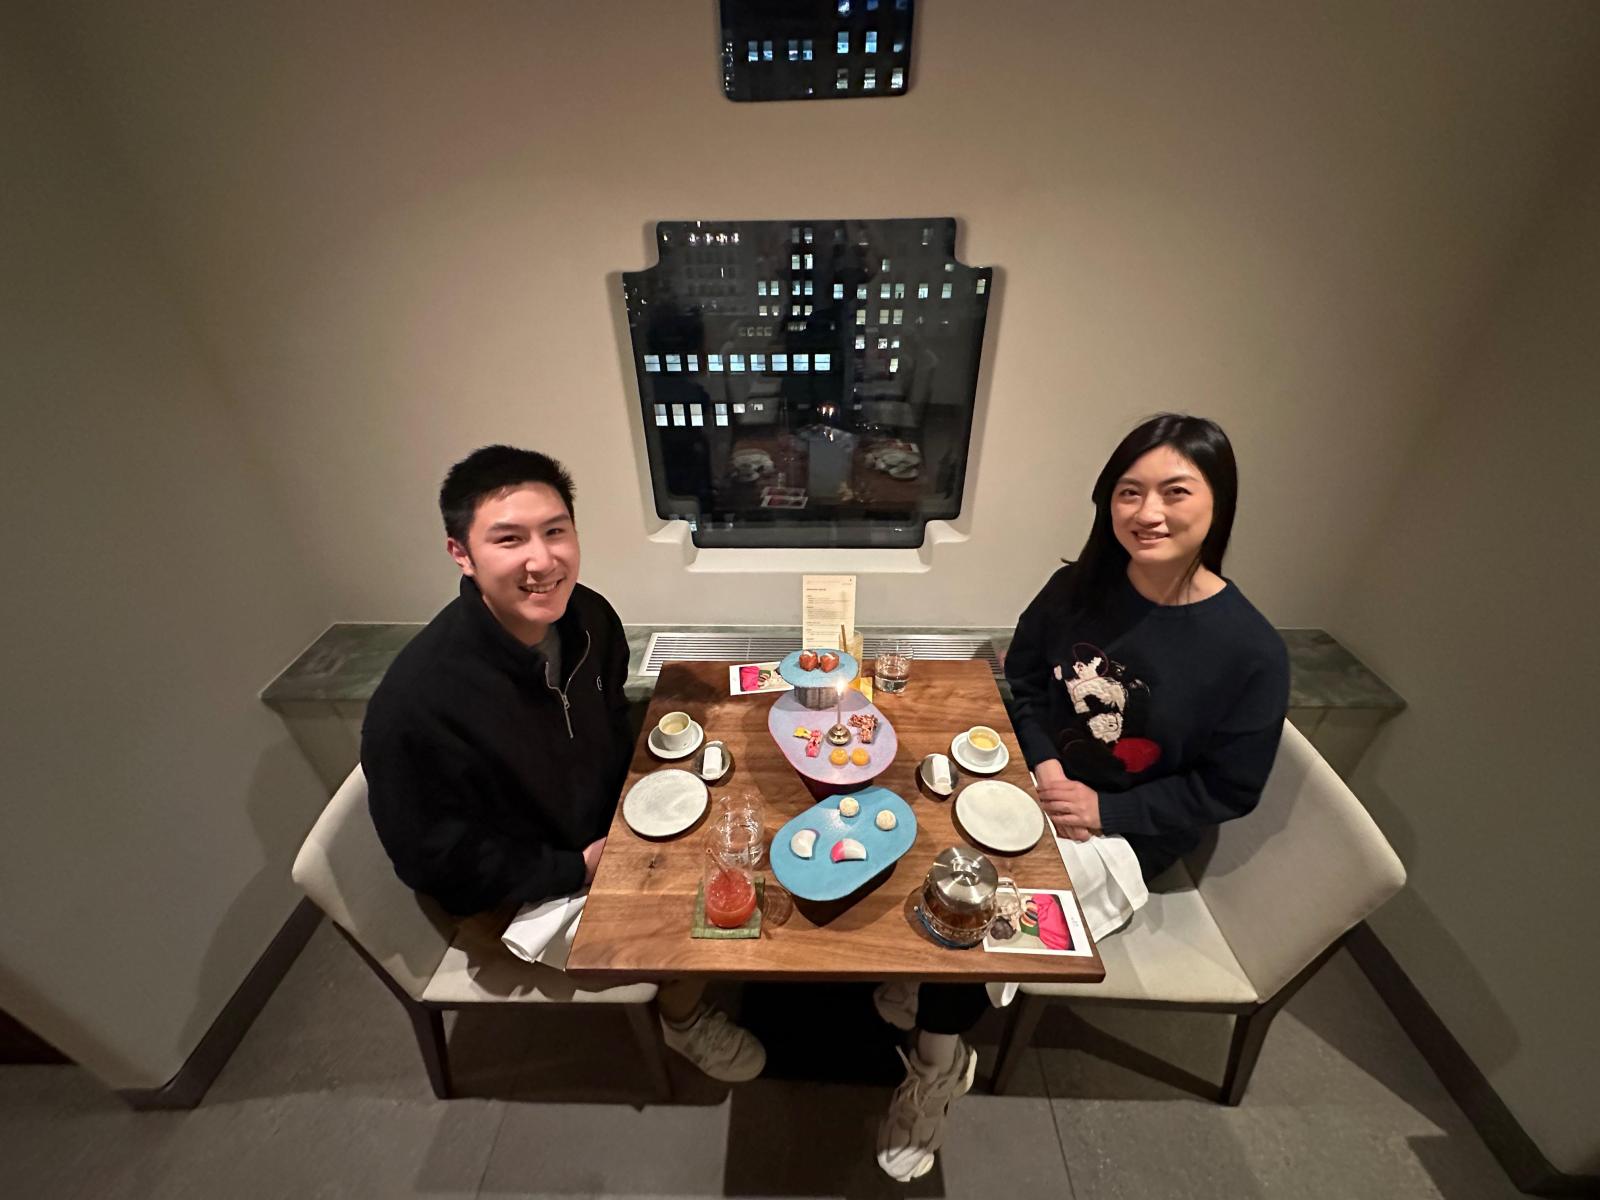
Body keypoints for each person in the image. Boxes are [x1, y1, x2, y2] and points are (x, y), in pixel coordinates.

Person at [873, 413, 1289, 1181]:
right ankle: (928, 982)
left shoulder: (1250, 650)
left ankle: (938, 1062)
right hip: (1037, 784)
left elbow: (1230, 788)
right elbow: (1027, 679)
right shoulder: (1077, 588)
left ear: (1219, 501)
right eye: (1130, 492)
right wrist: (1044, 763)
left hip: (1129, 832)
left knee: (978, 913)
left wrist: (1106, 811)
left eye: (1175, 491)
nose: (1148, 512)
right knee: (925, 841)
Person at [362, 445, 765, 1083]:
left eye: (555, 532)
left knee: (740, 839)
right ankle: (682, 1019)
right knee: (704, 913)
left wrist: (646, 805)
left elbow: (607, 718)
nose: (542, 560)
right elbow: (437, 863)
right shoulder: (417, 704)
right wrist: (576, 867)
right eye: (509, 539)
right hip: (515, 892)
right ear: (461, 553)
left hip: (605, 831)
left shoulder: (589, 618)